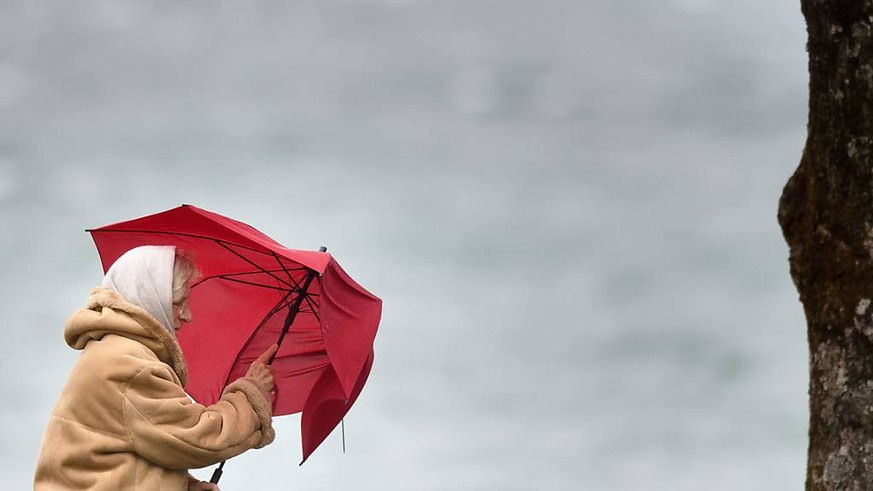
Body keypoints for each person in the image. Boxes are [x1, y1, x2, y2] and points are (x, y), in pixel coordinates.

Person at [34, 245, 278, 490]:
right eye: (178, 302)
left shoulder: (112, 351)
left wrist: (184, 487)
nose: (187, 315)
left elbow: (127, 453)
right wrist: (251, 392)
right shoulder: (129, 364)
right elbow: (201, 438)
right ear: (150, 297)